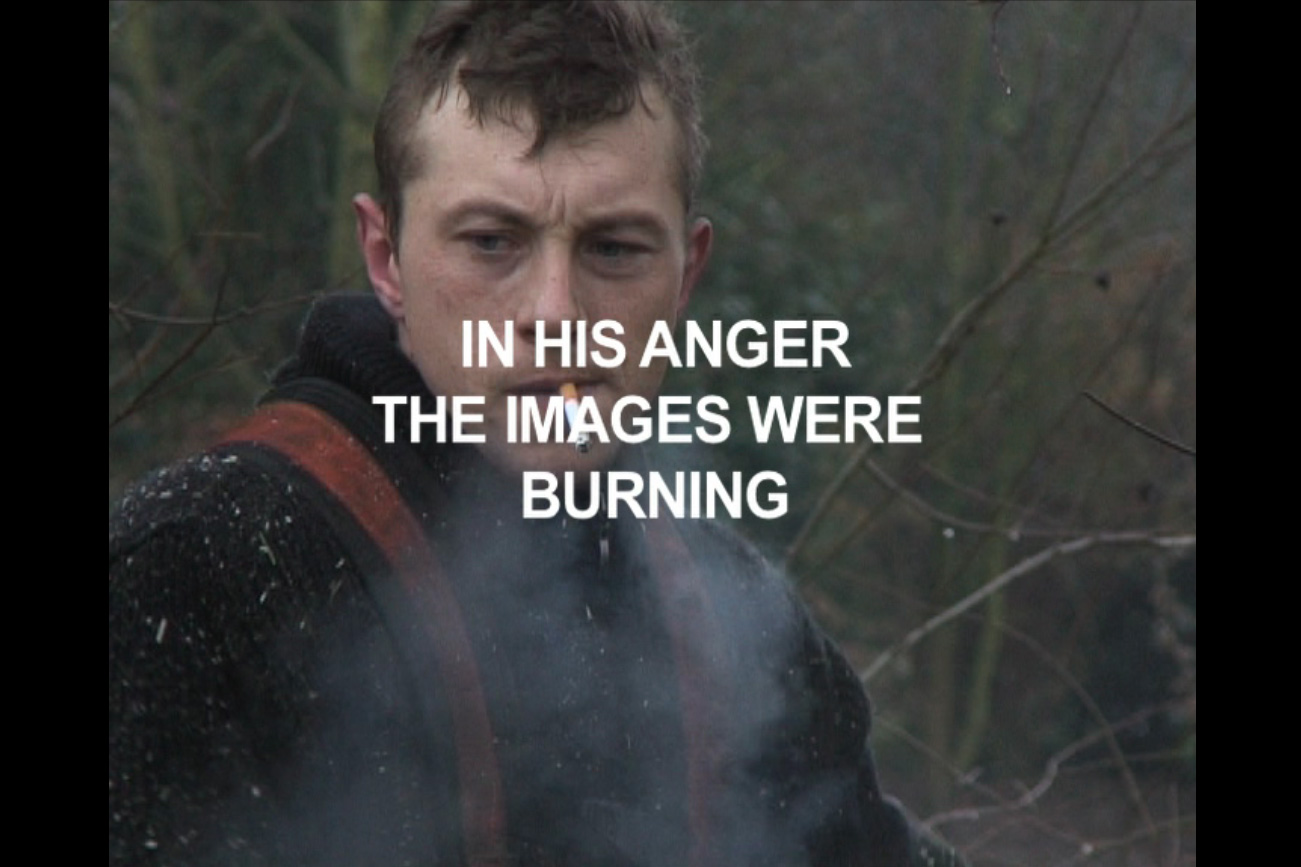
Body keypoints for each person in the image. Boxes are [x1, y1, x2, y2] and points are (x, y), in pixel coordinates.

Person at [109, 2, 964, 865]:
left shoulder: (732, 614)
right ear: (386, 257)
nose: (555, 316)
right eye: (490, 241)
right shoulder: (190, 564)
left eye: (616, 249)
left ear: (685, 277)